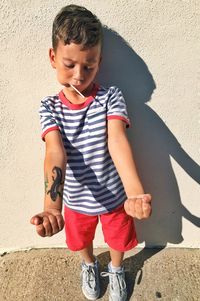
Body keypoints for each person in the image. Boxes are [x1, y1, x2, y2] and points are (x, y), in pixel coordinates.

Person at [30, 4, 152, 301]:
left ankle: (117, 268)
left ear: (99, 61)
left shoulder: (111, 97)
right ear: (53, 57)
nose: (79, 75)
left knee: (118, 239)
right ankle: (88, 265)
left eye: (89, 65)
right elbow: (55, 152)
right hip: (74, 199)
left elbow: (117, 141)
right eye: (69, 64)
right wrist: (51, 206)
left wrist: (134, 191)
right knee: (81, 240)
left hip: (114, 197)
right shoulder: (50, 107)